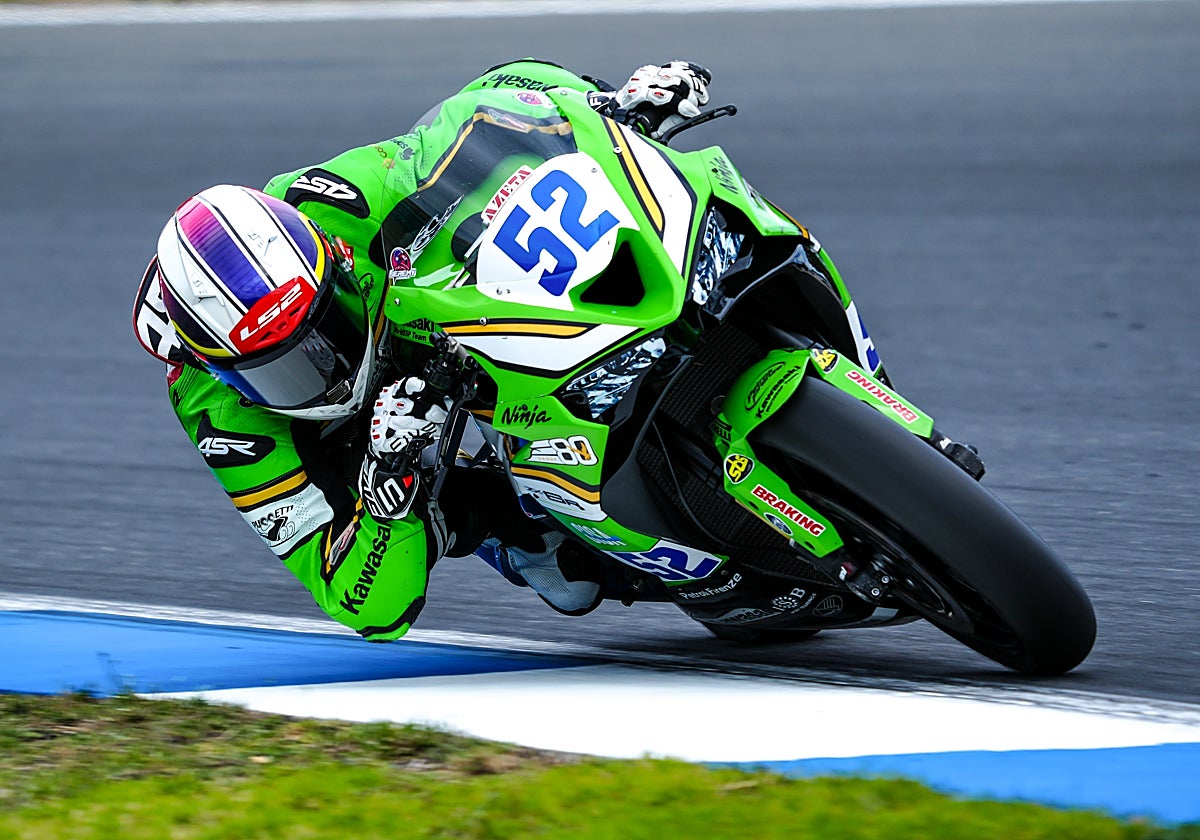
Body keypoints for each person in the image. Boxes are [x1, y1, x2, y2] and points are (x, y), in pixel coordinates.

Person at [132, 59, 713, 642]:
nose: (326, 369)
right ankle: (509, 530)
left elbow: (484, 107)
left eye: (325, 328)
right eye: (284, 369)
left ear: (329, 256)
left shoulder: (339, 200)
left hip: (420, 325)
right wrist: (385, 486)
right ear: (219, 368)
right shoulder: (223, 418)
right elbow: (364, 607)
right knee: (569, 577)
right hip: (368, 447)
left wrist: (608, 106)